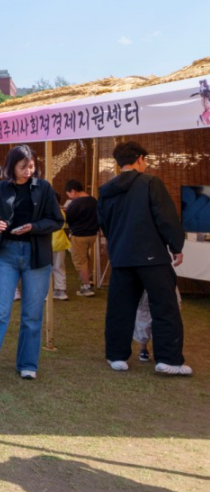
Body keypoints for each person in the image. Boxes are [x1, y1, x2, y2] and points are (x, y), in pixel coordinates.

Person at [0, 145, 64, 383]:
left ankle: (27, 364)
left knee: (32, 314)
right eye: (23, 166)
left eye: (32, 166)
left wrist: (34, 227)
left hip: (37, 255)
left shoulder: (43, 188)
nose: (28, 171)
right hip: (7, 254)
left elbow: (56, 220)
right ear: (11, 166)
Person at [99, 141, 190, 376]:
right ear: (139, 158)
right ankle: (168, 359)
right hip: (152, 257)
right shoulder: (150, 183)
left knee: (120, 308)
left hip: (120, 256)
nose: (146, 164)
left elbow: (105, 225)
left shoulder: (106, 189)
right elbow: (166, 217)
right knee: (164, 307)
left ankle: (116, 356)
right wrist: (176, 246)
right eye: (145, 160)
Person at [63, 180, 99, 297]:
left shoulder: (75, 204)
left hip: (79, 236)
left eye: (68, 194)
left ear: (73, 191)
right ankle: (89, 281)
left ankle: (86, 287)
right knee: (86, 259)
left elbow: (68, 219)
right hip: (93, 235)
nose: (69, 196)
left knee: (80, 261)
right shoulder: (93, 201)